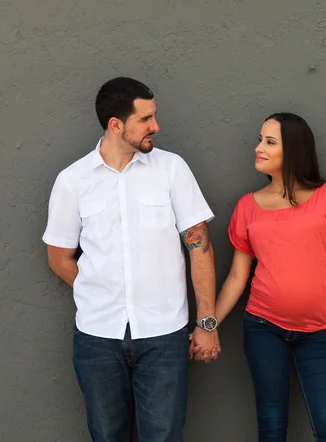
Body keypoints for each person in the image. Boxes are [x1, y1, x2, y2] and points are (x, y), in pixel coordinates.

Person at [42, 77, 221, 442]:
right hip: (97, 338)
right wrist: (98, 289)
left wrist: (207, 322)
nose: (156, 126)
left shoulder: (171, 169)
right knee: (107, 436)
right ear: (116, 124)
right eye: (145, 118)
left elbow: (199, 247)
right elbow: (60, 257)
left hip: (164, 336)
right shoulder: (72, 181)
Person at [213, 113, 326, 442]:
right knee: (272, 426)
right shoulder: (248, 207)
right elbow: (238, 275)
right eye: (260, 139)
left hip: (320, 334)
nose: (258, 148)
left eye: (269, 142)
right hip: (264, 329)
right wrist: (208, 325)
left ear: (292, 150)